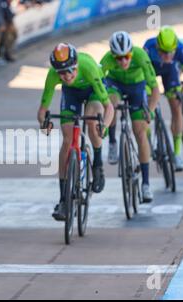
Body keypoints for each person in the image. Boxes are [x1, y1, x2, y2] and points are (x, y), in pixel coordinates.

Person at [37, 43, 114, 221]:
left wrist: (105, 126)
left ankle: (97, 164)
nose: (66, 75)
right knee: (68, 139)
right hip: (71, 94)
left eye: (70, 70)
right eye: (61, 72)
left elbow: (108, 107)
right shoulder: (54, 75)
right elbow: (42, 111)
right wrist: (44, 123)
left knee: (92, 118)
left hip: (93, 91)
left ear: (76, 65)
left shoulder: (88, 67)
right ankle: (64, 199)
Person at [101, 31, 160, 202]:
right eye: (118, 58)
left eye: (126, 56)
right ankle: (112, 142)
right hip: (115, 84)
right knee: (111, 102)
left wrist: (150, 109)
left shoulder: (141, 56)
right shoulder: (106, 60)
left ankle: (146, 184)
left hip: (136, 86)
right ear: (113, 55)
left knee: (140, 133)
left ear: (131, 52)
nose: (123, 61)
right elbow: (97, 86)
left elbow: (155, 89)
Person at [144, 26, 183, 171]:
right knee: (147, 105)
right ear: (157, 46)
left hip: (170, 72)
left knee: (177, 107)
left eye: (170, 52)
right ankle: (148, 144)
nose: (167, 56)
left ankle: (177, 153)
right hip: (150, 71)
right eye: (163, 52)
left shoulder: (180, 48)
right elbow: (141, 72)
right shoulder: (148, 46)